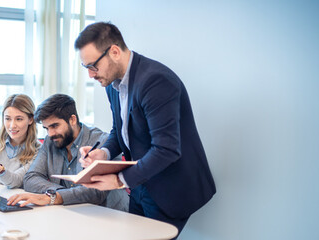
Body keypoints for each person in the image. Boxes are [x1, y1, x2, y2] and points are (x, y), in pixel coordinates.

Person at [75, 22, 216, 236]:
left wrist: (118, 180)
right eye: (86, 68)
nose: (91, 75)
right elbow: (119, 130)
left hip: (170, 187)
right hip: (141, 184)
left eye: (93, 66)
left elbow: (166, 149)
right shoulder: (112, 82)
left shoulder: (156, 81)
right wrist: (102, 153)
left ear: (114, 51)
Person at [7, 94, 128, 211]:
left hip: (109, 217)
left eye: (54, 126)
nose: (50, 134)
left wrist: (54, 197)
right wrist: (63, 194)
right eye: (46, 128)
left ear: (72, 119)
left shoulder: (102, 143)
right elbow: (30, 178)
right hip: (70, 214)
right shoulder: (51, 141)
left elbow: (95, 192)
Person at [0, 94, 40, 188]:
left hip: (12, 198)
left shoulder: (37, 150)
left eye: (19, 119)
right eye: (8, 119)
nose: (12, 125)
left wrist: (0, 170)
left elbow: (16, 181)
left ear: (30, 119)